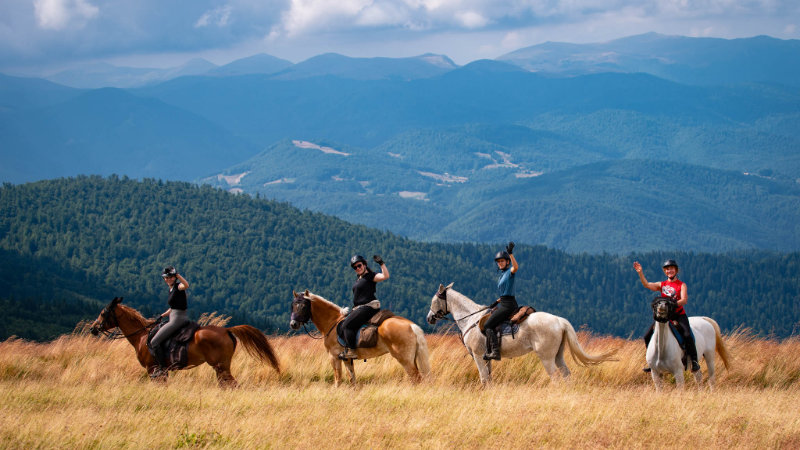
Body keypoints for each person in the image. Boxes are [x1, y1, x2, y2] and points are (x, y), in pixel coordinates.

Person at [633, 259, 700, 372]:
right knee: (647, 336)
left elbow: (684, 300)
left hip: (679, 315)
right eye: (667, 269)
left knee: (688, 335)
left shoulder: (681, 285)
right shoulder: (662, 284)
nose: (670, 271)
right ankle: (651, 362)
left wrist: (671, 304)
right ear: (665, 271)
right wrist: (640, 272)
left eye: (672, 268)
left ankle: (694, 361)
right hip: (664, 316)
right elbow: (646, 284)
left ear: (676, 270)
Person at [339, 254, 389, 360]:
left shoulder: (371, 276)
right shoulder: (359, 278)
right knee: (345, 322)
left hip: (369, 307)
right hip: (360, 308)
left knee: (346, 326)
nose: (357, 268)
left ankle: (352, 351)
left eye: (359, 265)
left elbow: (385, 276)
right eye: (355, 267)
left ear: (364, 264)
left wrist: (381, 263)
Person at [148, 266, 190, 375]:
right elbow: (173, 307)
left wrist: (178, 275)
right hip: (173, 316)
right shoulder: (171, 289)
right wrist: (163, 315)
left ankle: (162, 369)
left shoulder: (178, 286)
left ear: (174, 277)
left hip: (177, 319)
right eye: (166, 278)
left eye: (170, 277)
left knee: (154, 342)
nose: (167, 279)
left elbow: (186, 285)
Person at [483, 241, 518, 361]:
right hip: (503, 302)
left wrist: (511, 254)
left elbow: (516, 267)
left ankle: (495, 352)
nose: (500, 263)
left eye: (502, 261)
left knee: (487, 325)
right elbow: (505, 292)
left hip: (508, 305)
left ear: (507, 262)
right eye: (498, 262)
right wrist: (496, 302)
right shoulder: (502, 275)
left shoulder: (510, 272)